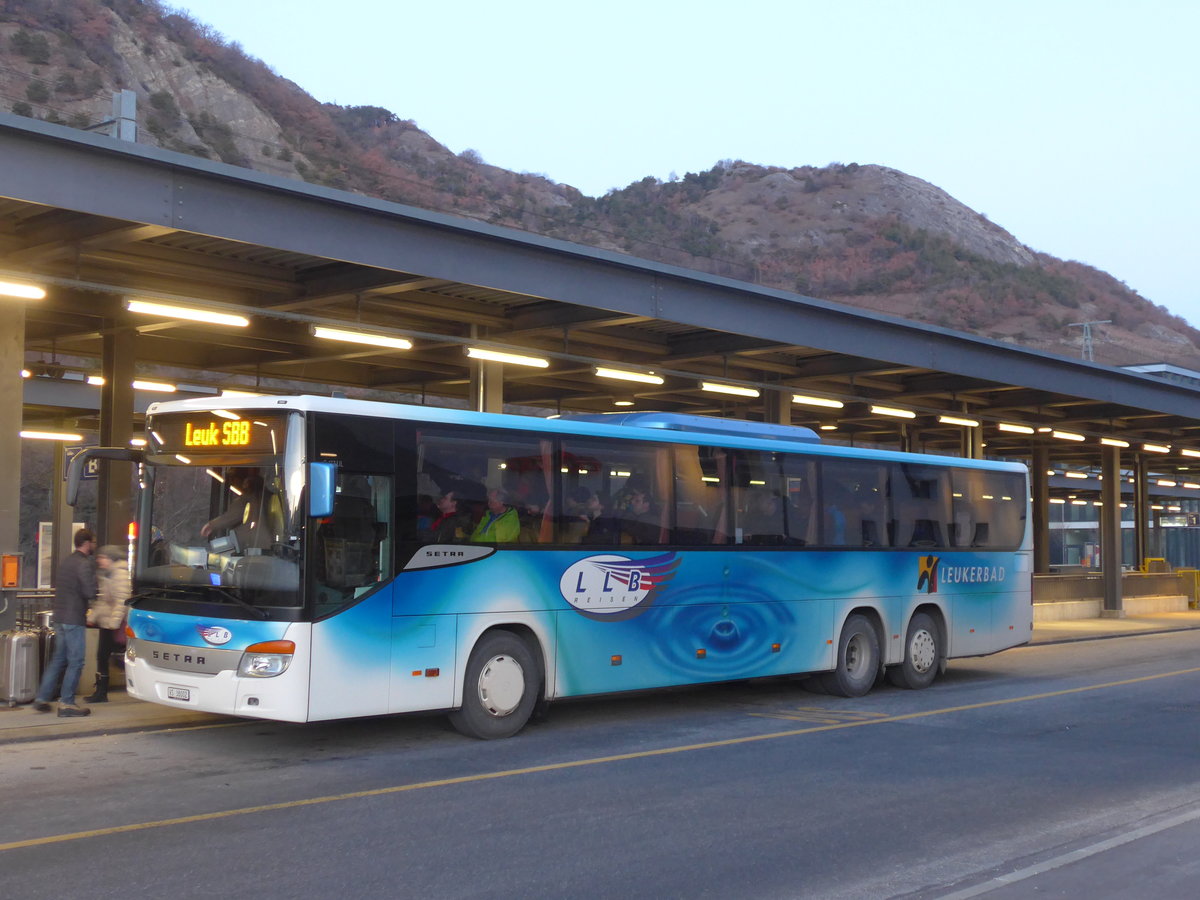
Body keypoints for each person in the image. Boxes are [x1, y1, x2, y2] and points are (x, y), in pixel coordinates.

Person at [32, 527, 97, 717]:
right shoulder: (84, 564)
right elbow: (89, 592)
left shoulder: (67, 561)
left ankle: (42, 698)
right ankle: (67, 703)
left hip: (59, 617)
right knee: (76, 661)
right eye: (93, 542)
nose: (94, 545)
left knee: (58, 660)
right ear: (86, 543)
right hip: (74, 618)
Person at [83, 545, 131, 703]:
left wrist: (114, 622)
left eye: (102, 557)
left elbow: (122, 600)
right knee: (102, 656)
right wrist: (93, 616)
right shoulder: (107, 574)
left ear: (110, 558)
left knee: (107, 656)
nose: (99, 560)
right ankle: (101, 691)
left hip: (113, 624)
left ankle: (102, 691)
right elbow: (103, 600)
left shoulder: (120, 574)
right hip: (107, 622)